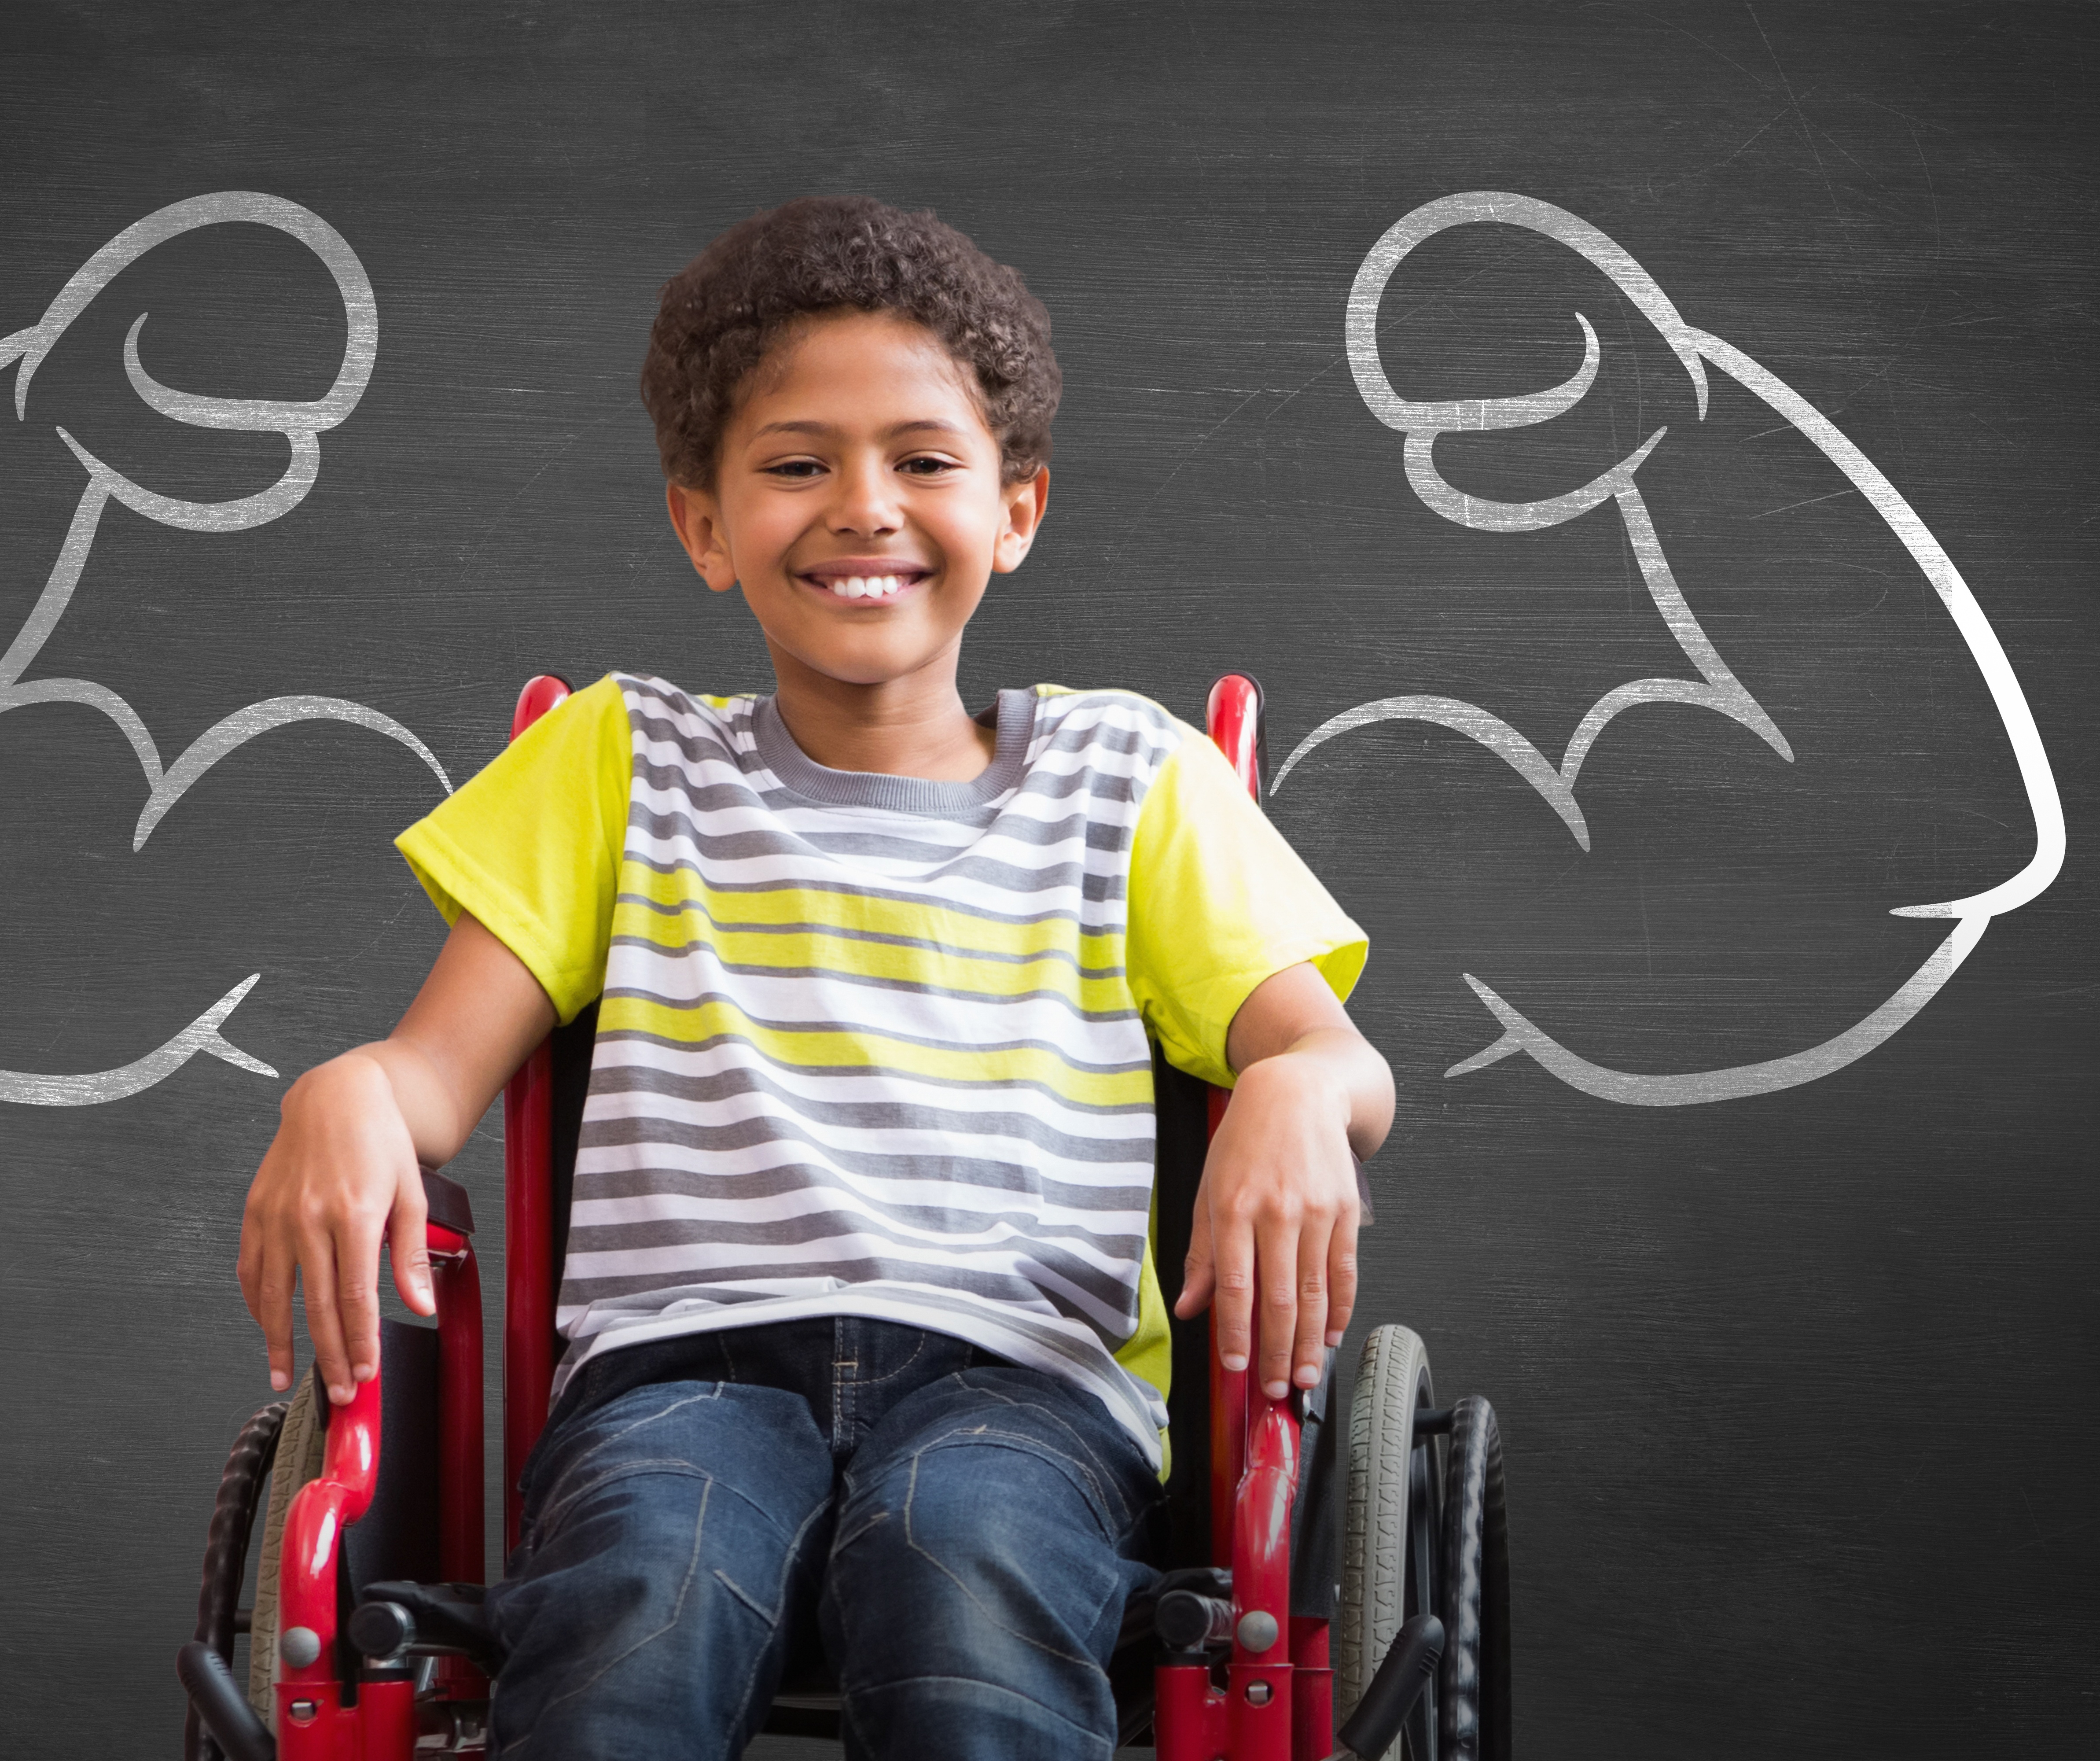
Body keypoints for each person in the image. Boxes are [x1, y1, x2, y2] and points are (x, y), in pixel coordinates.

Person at [236, 194, 1394, 1761]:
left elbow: (1337, 1061)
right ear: (706, 527)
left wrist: (1293, 1087)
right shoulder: (623, 762)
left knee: (963, 1568)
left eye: (924, 460)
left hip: (1022, 1384)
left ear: (1016, 510)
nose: (864, 505)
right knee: (642, 1593)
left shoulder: (1130, 776)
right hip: (681, 1371)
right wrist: (340, 1092)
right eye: (797, 465)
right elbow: (427, 1081)